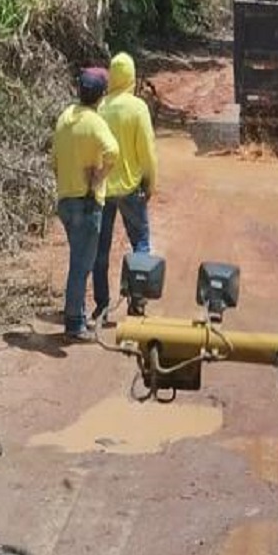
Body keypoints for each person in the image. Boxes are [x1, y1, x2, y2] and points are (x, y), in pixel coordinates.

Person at [51, 66, 119, 343]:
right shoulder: (94, 121)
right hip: (87, 202)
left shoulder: (66, 116)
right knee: (81, 265)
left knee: (78, 259)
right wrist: (99, 175)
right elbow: (113, 151)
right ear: (101, 95)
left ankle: (76, 314)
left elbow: (54, 160)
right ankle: (74, 324)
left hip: (66, 200)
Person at [93, 51, 157, 321]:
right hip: (131, 189)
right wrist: (150, 183)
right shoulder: (138, 108)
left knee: (101, 248)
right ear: (131, 77)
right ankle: (137, 300)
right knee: (140, 243)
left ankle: (102, 305)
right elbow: (147, 153)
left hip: (103, 189)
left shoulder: (100, 106)